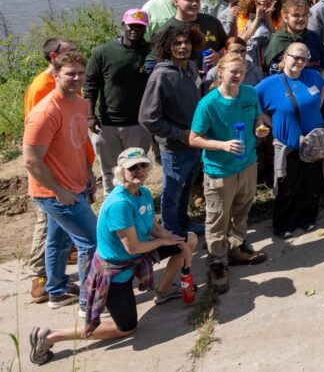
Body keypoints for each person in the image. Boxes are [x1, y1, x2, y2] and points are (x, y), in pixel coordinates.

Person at [27, 148, 198, 366]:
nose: (139, 170)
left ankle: (163, 292)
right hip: (116, 270)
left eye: (143, 165)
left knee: (189, 239)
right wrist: (165, 242)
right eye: (132, 167)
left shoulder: (142, 193)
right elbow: (133, 248)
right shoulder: (120, 204)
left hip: (139, 253)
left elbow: (153, 228)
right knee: (126, 328)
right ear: (121, 171)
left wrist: (175, 240)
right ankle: (50, 336)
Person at [23, 50, 96, 313]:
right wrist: (59, 191)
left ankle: (55, 291)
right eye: (69, 74)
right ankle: (89, 302)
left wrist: (88, 173)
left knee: (58, 240)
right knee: (91, 241)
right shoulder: (45, 112)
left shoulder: (79, 103)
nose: (76, 78)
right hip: (56, 193)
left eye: (80, 73)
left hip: (76, 184)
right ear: (55, 74)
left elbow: (79, 142)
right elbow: (31, 160)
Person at [190, 53, 267, 295]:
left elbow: (258, 117)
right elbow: (193, 139)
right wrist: (223, 145)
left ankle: (236, 248)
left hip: (247, 164)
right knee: (217, 219)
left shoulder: (249, 93)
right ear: (220, 73)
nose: (237, 75)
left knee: (242, 210)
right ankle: (217, 263)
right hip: (220, 170)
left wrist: (260, 128)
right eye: (232, 71)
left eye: (241, 71)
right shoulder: (208, 104)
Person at [256, 43, 324, 239]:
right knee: (287, 185)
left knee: (311, 183)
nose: (299, 62)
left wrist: (317, 108)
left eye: (303, 59)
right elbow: (254, 103)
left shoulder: (312, 77)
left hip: (313, 143)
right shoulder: (269, 84)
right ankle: (284, 224)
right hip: (289, 144)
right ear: (284, 57)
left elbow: (323, 86)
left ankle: (307, 218)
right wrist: (269, 122)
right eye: (295, 57)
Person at [139, 26, 203, 239]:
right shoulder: (161, 76)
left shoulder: (192, 67)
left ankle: (184, 223)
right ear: (167, 47)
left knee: (186, 189)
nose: (183, 47)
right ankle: (171, 232)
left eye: (186, 42)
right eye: (177, 43)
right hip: (175, 148)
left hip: (195, 143)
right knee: (172, 193)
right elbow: (148, 118)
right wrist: (179, 134)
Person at [85, 9, 154, 194]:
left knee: (136, 169)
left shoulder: (151, 52)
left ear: (145, 28)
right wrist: (90, 115)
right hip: (107, 123)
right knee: (110, 169)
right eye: (131, 25)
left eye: (140, 27)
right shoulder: (103, 52)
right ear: (123, 25)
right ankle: (111, 201)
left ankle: (136, 198)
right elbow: (90, 84)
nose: (135, 30)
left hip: (138, 123)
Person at [148, 0, 228, 75]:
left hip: (213, 80)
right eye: (189, 0)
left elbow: (227, 46)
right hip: (180, 82)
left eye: (197, 0)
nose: (194, 3)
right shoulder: (164, 30)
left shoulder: (212, 22)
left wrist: (219, 55)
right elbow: (151, 63)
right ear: (175, 1)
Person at [263, 0, 324, 77]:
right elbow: (274, 77)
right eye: (296, 15)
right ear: (285, 17)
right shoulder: (278, 42)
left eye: (304, 15)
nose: (301, 19)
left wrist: (323, 87)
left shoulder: (314, 38)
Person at [236, 0, 282, 77]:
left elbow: (279, 42)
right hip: (251, 63)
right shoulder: (243, 16)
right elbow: (241, 41)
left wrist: (268, 20)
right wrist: (257, 19)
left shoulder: (277, 17)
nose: (263, 0)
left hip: (271, 63)